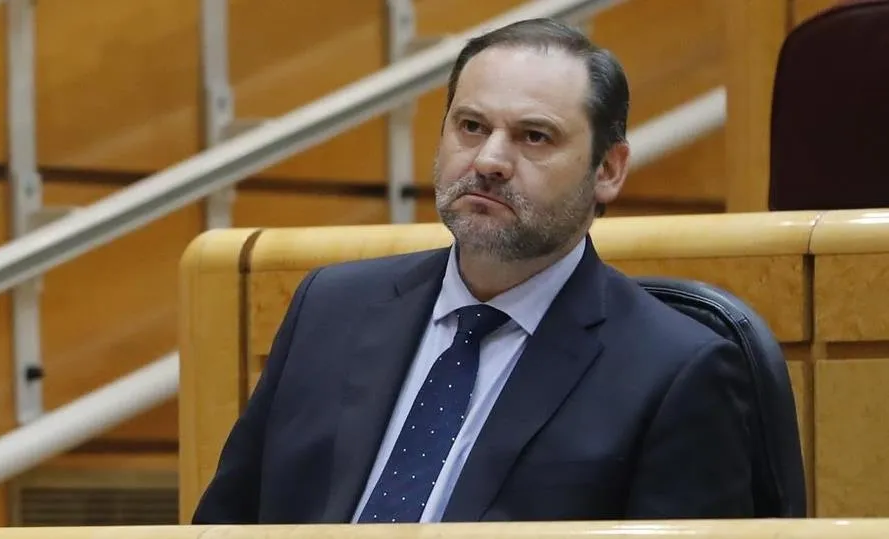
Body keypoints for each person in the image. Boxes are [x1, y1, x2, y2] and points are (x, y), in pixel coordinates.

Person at [192, 17, 754, 524]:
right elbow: (227, 522)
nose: (488, 161)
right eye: (471, 126)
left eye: (534, 136)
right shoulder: (329, 309)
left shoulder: (676, 370)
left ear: (607, 169)